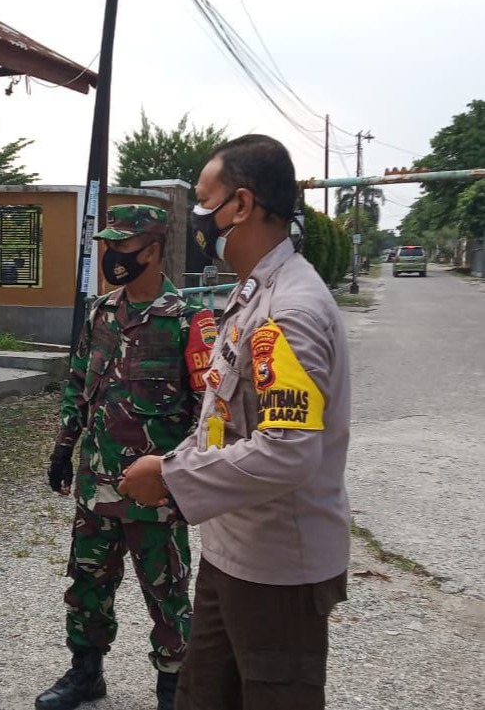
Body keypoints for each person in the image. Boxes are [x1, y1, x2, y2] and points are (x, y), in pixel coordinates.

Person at [119, 135, 351, 710]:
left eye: (204, 200)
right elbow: (225, 416)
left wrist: (171, 477)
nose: (197, 217)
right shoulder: (253, 296)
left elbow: (288, 451)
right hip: (231, 548)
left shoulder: (289, 312)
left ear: (241, 206)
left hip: (276, 570)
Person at [36, 205, 218, 710]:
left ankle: (173, 687)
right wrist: (63, 447)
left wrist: (184, 478)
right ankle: (86, 674)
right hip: (96, 484)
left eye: (121, 248)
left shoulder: (188, 321)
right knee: (88, 582)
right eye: (106, 247)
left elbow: (208, 412)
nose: (110, 258)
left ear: (153, 251)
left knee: (167, 592)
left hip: (156, 489)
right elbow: (78, 386)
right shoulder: (100, 313)